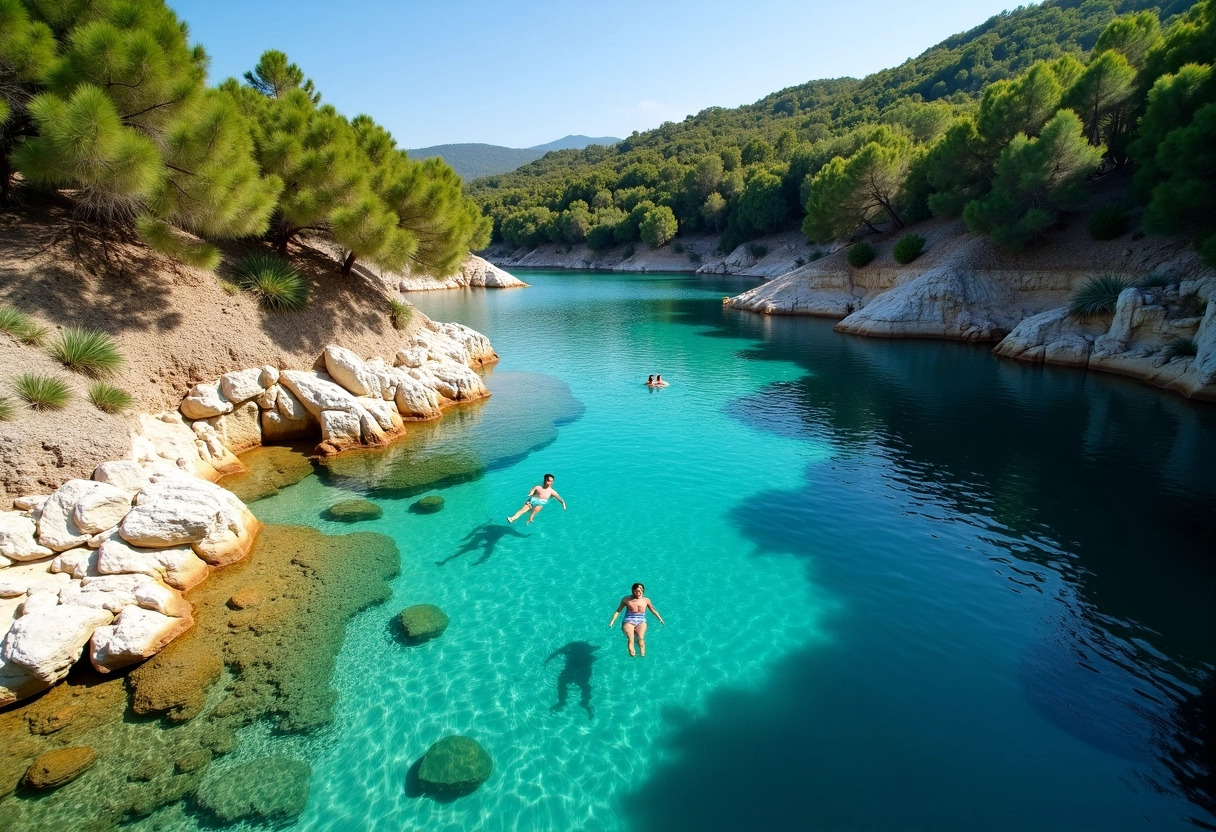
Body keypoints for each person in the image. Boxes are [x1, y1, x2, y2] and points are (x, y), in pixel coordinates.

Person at [608, 582, 665, 657]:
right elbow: (618, 611)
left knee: (640, 638)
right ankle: (633, 656)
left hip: (641, 621)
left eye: (640, 590)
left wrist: (660, 619)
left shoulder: (646, 600)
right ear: (633, 591)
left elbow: (653, 610)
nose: (638, 592)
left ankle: (642, 656)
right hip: (628, 621)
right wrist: (612, 622)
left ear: (643, 591)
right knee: (631, 639)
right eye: (636, 591)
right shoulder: (626, 599)